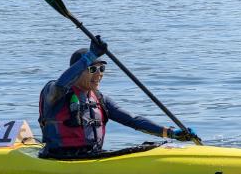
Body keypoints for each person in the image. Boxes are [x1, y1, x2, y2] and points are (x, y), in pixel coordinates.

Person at [38, 36, 198, 158]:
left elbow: (133, 120)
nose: (99, 74)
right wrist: (90, 56)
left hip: (92, 156)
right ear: (77, 70)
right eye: (93, 69)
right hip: (58, 158)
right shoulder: (54, 93)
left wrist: (170, 133)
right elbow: (61, 84)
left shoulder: (100, 99)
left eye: (102, 69)